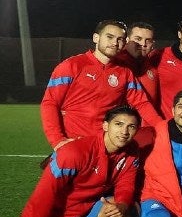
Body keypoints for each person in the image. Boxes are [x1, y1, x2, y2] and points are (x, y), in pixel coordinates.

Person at [40, 19, 161, 151]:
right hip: (74, 143)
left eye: (120, 39)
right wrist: (57, 140)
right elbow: (50, 103)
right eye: (110, 37)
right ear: (96, 38)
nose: (115, 43)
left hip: (107, 144)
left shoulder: (125, 72)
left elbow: (141, 103)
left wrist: (162, 127)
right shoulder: (71, 66)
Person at [118, 21, 159, 105]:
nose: (143, 44)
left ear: (153, 44)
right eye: (138, 39)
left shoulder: (154, 64)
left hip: (148, 117)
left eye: (148, 40)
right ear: (127, 40)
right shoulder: (115, 63)